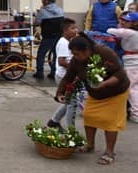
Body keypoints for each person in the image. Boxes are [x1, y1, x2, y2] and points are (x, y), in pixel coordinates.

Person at [55, 35, 130, 165]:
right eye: (73, 54)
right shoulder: (76, 61)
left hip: (116, 92)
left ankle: (109, 152)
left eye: (77, 54)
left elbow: (120, 74)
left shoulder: (104, 52)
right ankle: (90, 145)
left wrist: (104, 84)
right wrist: (60, 92)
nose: (75, 57)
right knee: (89, 116)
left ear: (87, 50)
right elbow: (68, 77)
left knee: (110, 121)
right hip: (95, 94)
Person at [47, 18, 79, 130]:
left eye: (76, 28)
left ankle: (54, 121)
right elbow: (62, 61)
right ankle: (71, 131)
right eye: (73, 28)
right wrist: (75, 69)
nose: (76, 30)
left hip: (68, 76)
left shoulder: (69, 41)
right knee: (72, 104)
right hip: (64, 77)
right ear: (65, 30)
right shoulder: (64, 43)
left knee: (68, 102)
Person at [107, 11, 138, 123]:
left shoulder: (130, 33)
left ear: (134, 23)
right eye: (123, 20)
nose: (123, 22)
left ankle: (136, 113)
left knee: (132, 89)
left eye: (127, 21)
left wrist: (119, 26)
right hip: (132, 61)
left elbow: (110, 31)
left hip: (132, 63)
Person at [34, 0, 64, 80]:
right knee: (56, 54)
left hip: (48, 36)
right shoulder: (60, 9)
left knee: (41, 54)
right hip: (59, 35)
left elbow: (37, 22)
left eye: (44, 0)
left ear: (47, 1)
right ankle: (54, 72)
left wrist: (39, 12)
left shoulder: (43, 11)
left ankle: (39, 72)